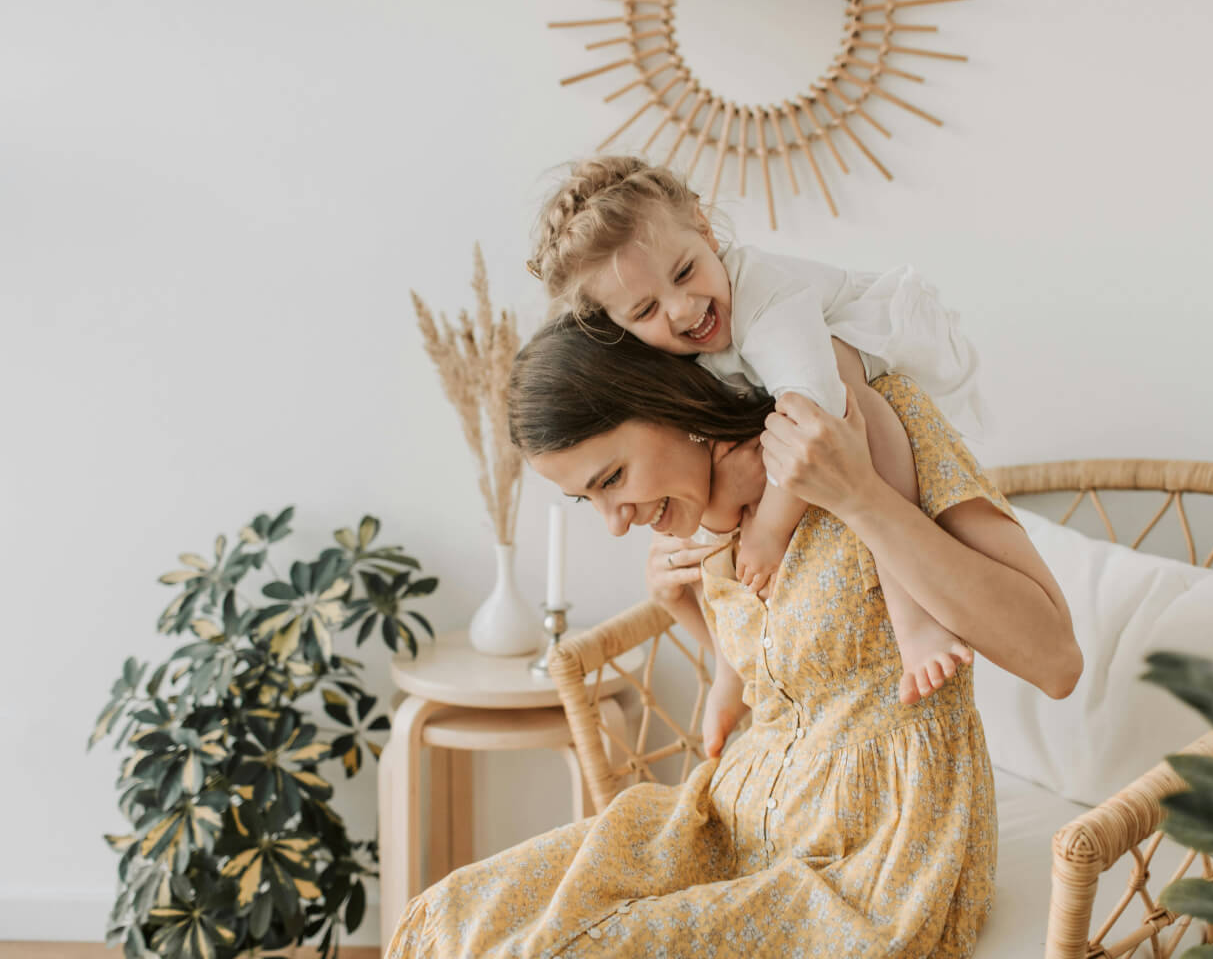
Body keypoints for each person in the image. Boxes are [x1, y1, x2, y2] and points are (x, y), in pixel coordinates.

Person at [384, 313, 1080, 958]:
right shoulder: (708, 513)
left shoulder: (868, 420)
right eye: (587, 500)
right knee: (457, 916)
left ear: (671, 406)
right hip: (732, 820)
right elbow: (773, 684)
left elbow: (1054, 659)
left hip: (874, 857)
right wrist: (686, 603)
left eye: (613, 479)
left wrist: (860, 495)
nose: (615, 522)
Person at [526, 155, 987, 704]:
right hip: (813, 390)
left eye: (685, 272)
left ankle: (915, 617)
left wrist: (769, 528)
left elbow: (815, 410)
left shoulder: (765, 297)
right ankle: (733, 674)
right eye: (647, 308)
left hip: (889, 346)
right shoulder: (679, 364)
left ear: (704, 227)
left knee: (843, 408)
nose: (682, 308)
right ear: (618, 328)